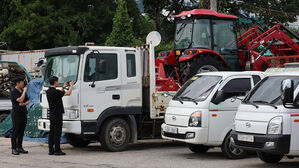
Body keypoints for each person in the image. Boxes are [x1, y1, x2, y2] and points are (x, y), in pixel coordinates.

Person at [46, 76, 73, 156]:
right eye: (57, 81)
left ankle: (51, 150)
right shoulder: (55, 92)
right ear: (55, 82)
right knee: (57, 133)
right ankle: (57, 150)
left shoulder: (49, 91)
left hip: (52, 114)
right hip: (57, 114)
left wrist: (63, 87)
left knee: (52, 133)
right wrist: (71, 86)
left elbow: (59, 94)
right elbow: (68, 93)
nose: (58, 83)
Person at [10, 78, 30, 155]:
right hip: (16, 114)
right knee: (16, 131)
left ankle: (20, 147)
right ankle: (14, 148)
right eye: (22, 82)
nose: (23, 84)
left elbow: (28, 101)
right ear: (17, 83)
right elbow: (20, 100)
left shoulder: (21, 91)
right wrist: (24, 91)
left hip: (23, 113)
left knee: (21, 131)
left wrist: (24, 104)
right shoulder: (13, 92)